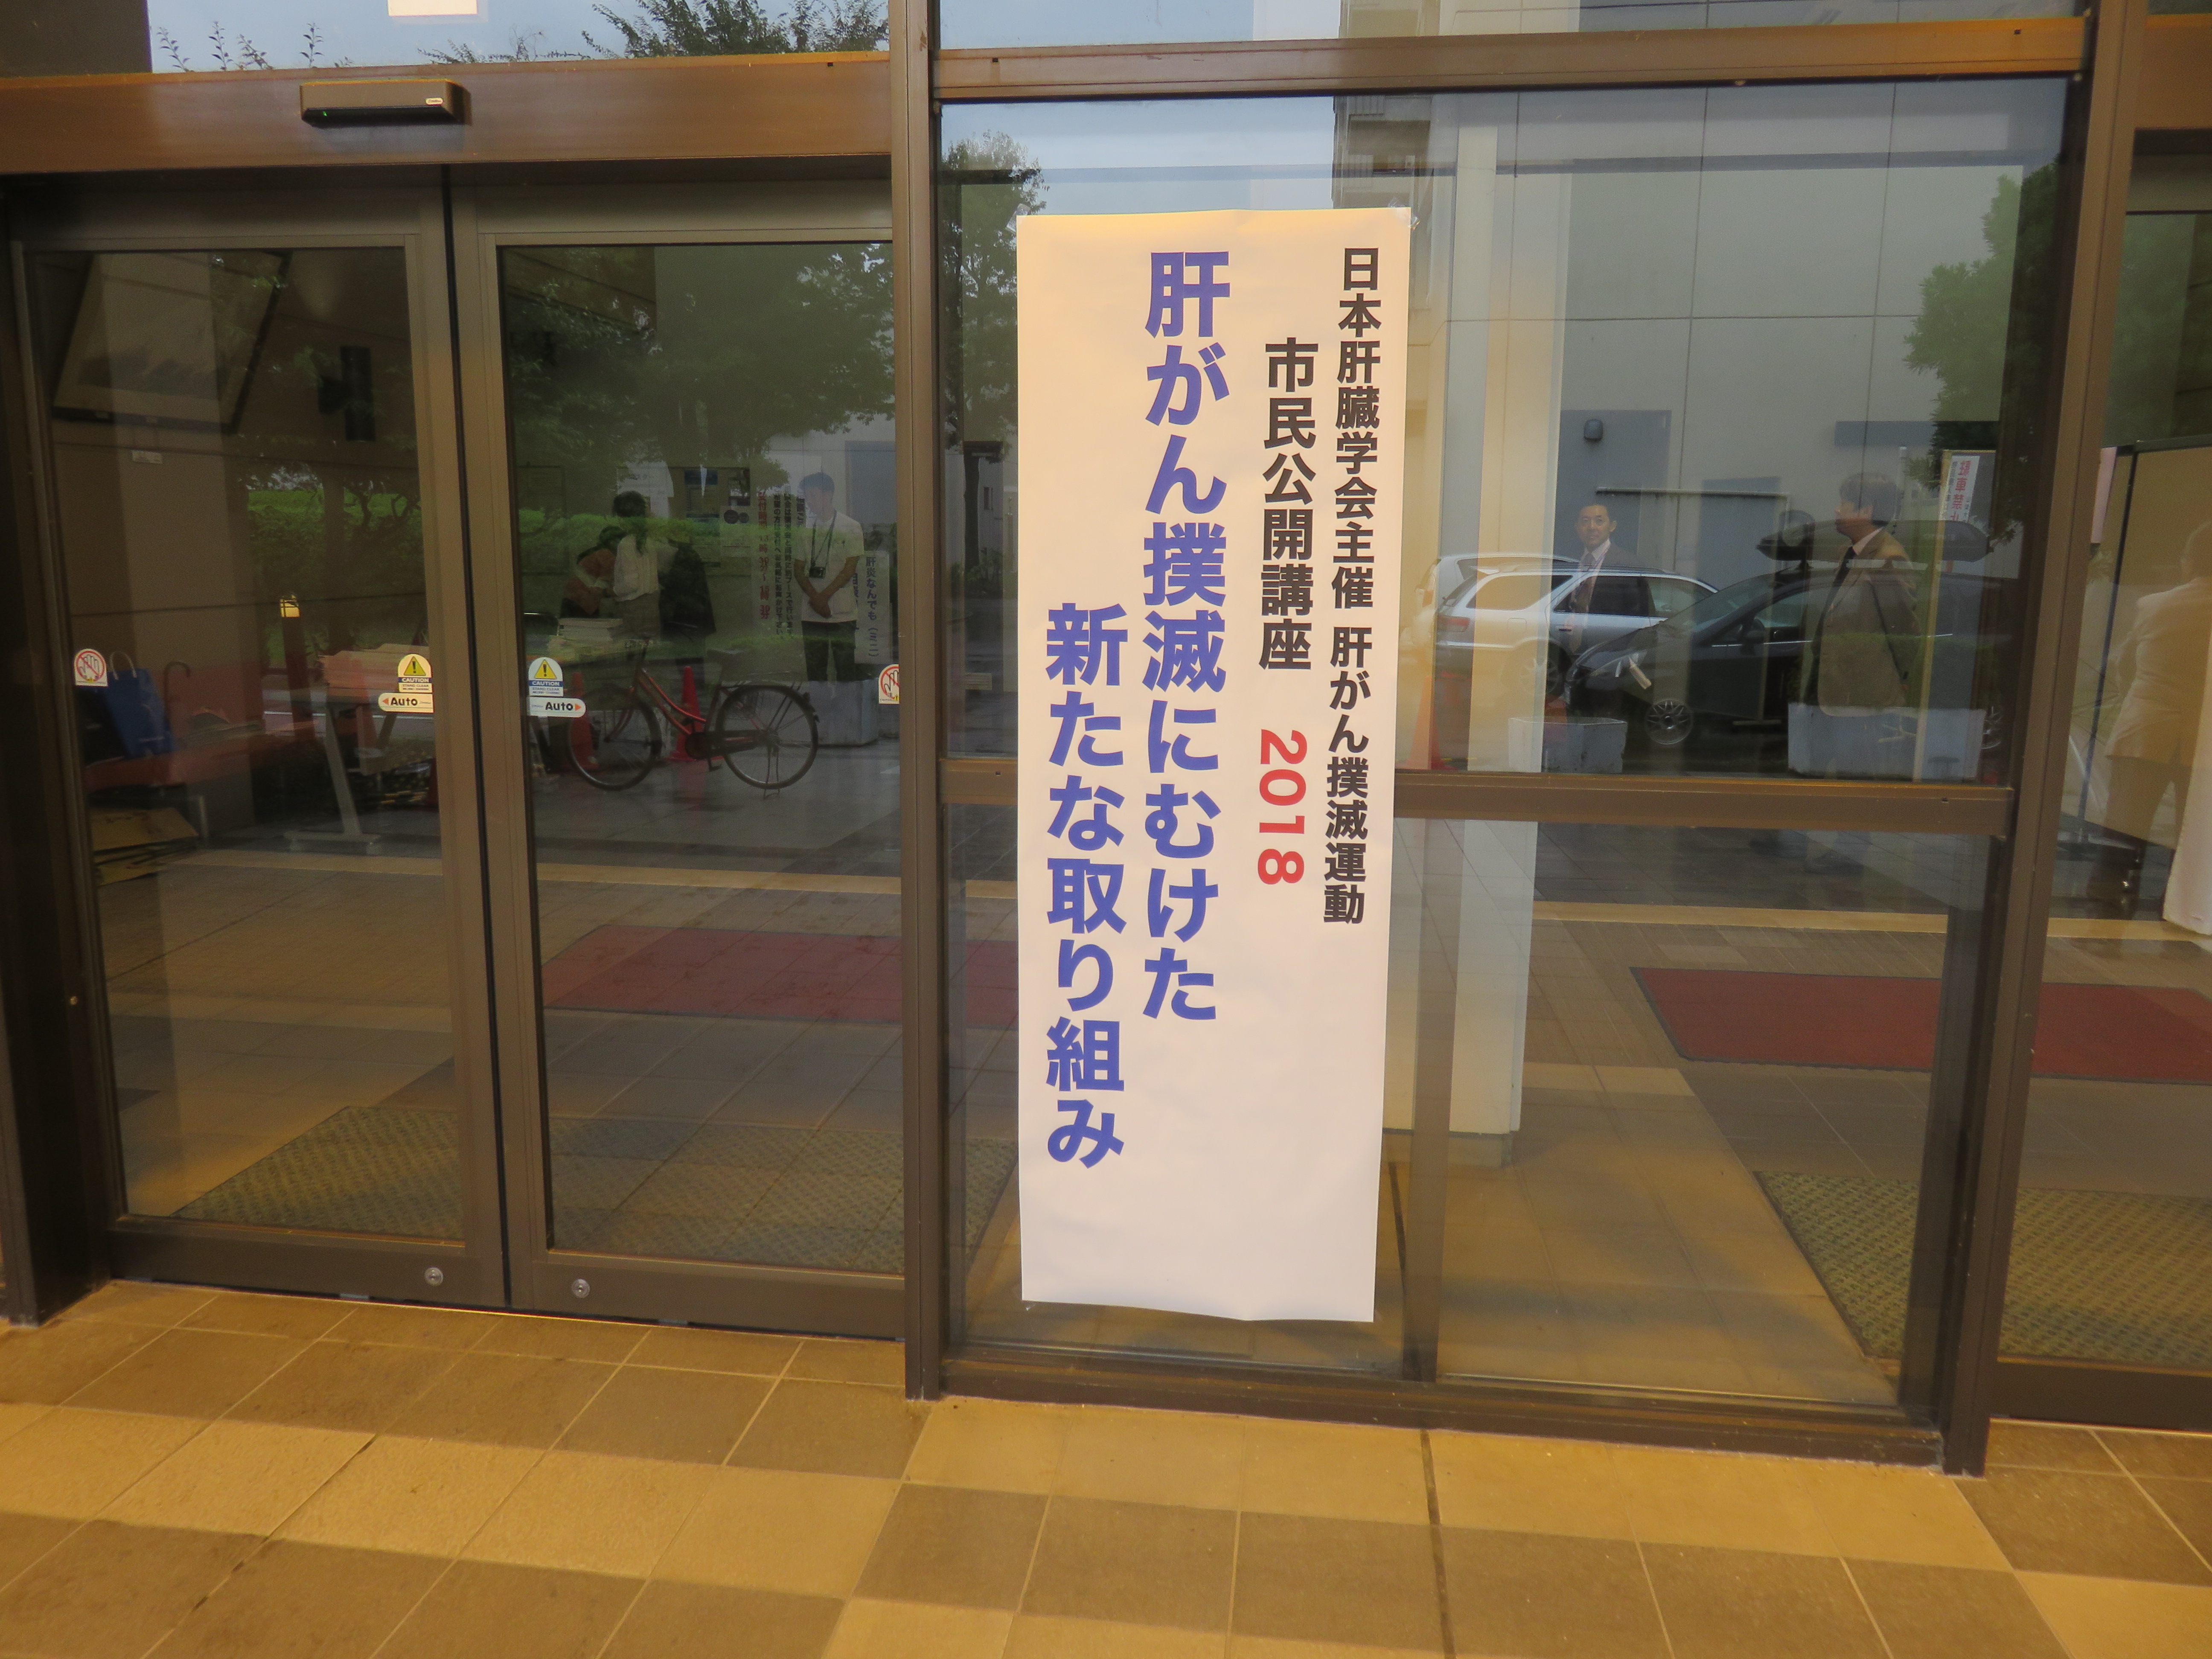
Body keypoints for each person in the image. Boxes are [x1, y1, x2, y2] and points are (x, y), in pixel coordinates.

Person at [2087, 521, 2212, 916]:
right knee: (2192, 830)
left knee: (2126, 821)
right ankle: (2180, 903)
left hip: (2145, 729)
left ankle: (2109, 893)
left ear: (2190, 562)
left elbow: (2124, 664)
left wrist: (2141, 702)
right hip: (2202, 739)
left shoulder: (2154, 605)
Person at [792, 472, 872, 745]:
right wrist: (816, 599)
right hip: (812, 613)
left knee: (845, 671)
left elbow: (850, 569)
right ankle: (822, 724)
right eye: (806, 496)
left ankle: (847, 724)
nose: (810, 501)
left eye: (813, 495)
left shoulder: (851, 527)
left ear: (828, 495)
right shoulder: (806, 529)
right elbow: (799, 570)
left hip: (842, 612)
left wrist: (823, 597)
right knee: (816, 673)